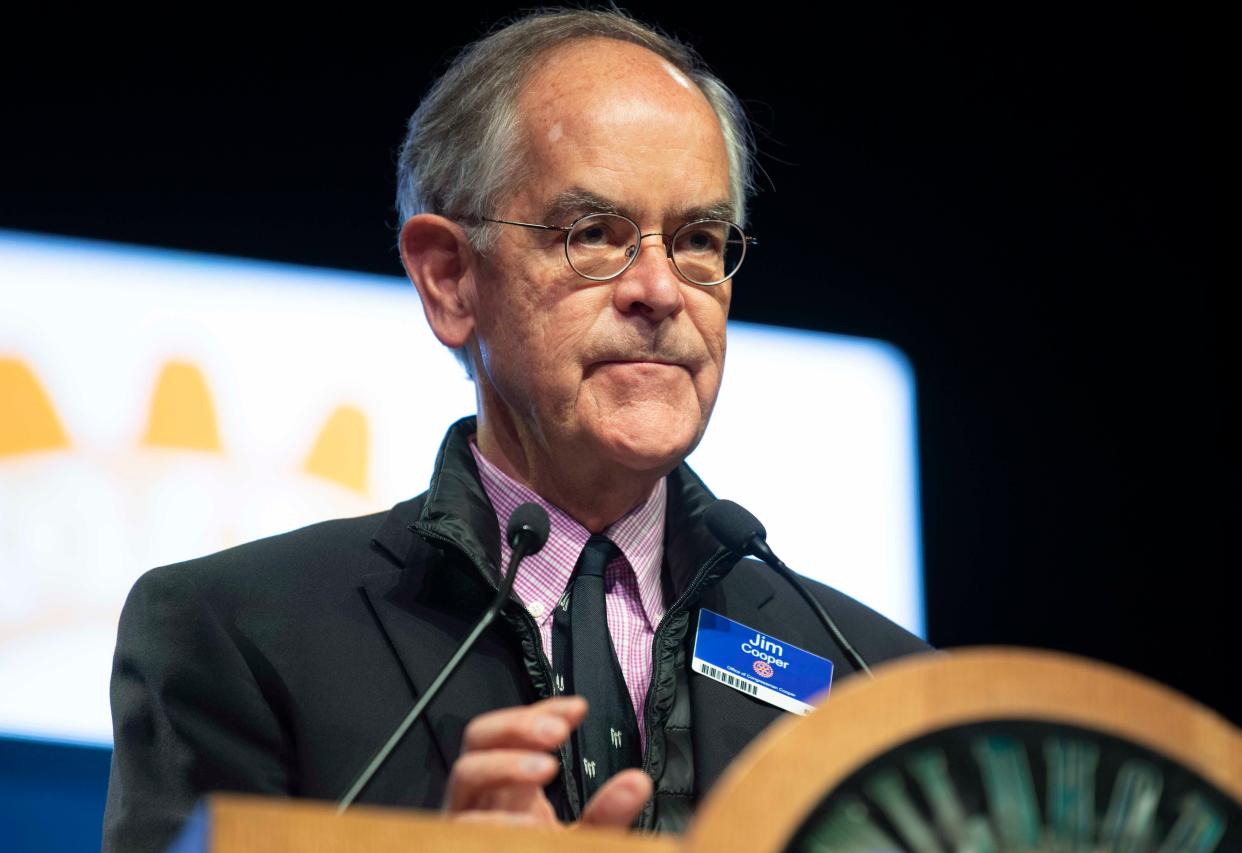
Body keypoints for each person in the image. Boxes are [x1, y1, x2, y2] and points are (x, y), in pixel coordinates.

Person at [103, 9, 929, 851]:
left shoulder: (879, 682)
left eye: (698, 241)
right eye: (595, 235)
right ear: (452, 280)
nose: (660, 289)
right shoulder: (238, 634)